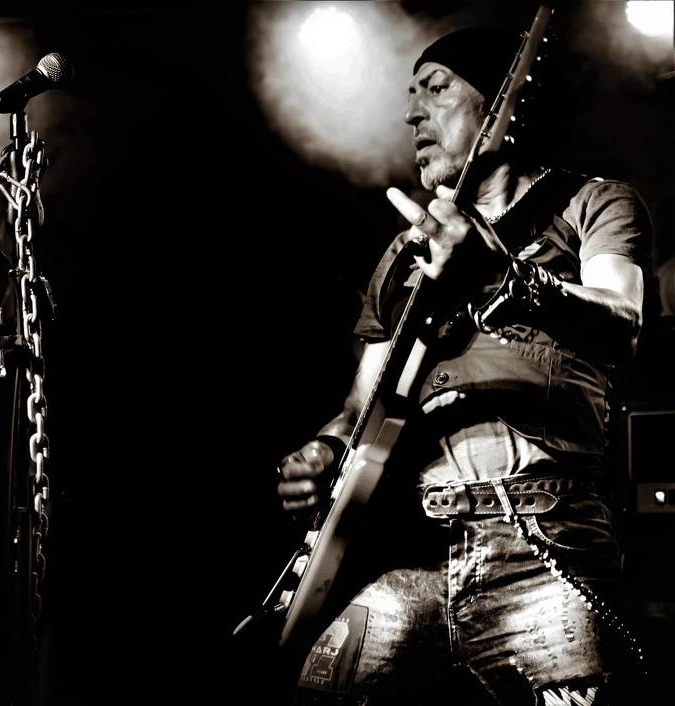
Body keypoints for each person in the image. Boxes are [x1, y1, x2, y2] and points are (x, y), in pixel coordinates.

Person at [276, 27, 652, 705]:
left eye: (437, 88)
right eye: (410, 94)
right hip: (415, 547)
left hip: (543, 536)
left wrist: (505, 277)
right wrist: (322, 451)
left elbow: (622, 321)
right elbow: (361, 407)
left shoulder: (593, 202)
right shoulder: (405, 255)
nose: (411, 114)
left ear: (503, 104)